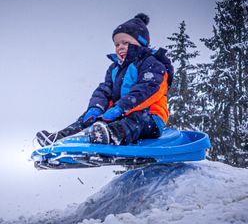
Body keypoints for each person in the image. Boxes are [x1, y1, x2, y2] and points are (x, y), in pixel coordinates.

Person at [36, 13, 173, 147]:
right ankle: (60, 138)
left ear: (141, 43)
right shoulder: (115, 68)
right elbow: (104, 90)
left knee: (137, 117)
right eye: (117, 44)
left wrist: (121, 108)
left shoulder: (152, 64)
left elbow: (148, 89)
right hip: (121, 115)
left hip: (151, 118)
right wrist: (96, 108)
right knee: (89, 117)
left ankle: (110, 135)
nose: (120, 47)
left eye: (125, 42)